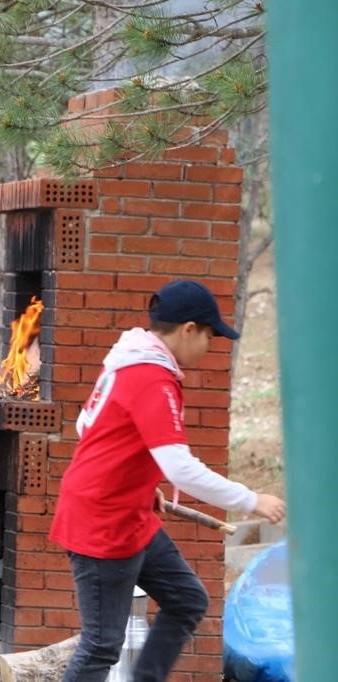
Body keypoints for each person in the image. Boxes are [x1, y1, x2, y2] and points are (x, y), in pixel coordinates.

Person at [49, 279, 286, 681]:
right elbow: (181, 468)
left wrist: (140, 479)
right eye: (210, 335)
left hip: (133, 516)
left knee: (187, 599)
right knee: (101, 644)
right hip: (103, 524)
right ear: (189, 329)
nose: (211, 346)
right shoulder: (150, 377)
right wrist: (250, 500)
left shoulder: (130, 360)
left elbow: (86, 423)